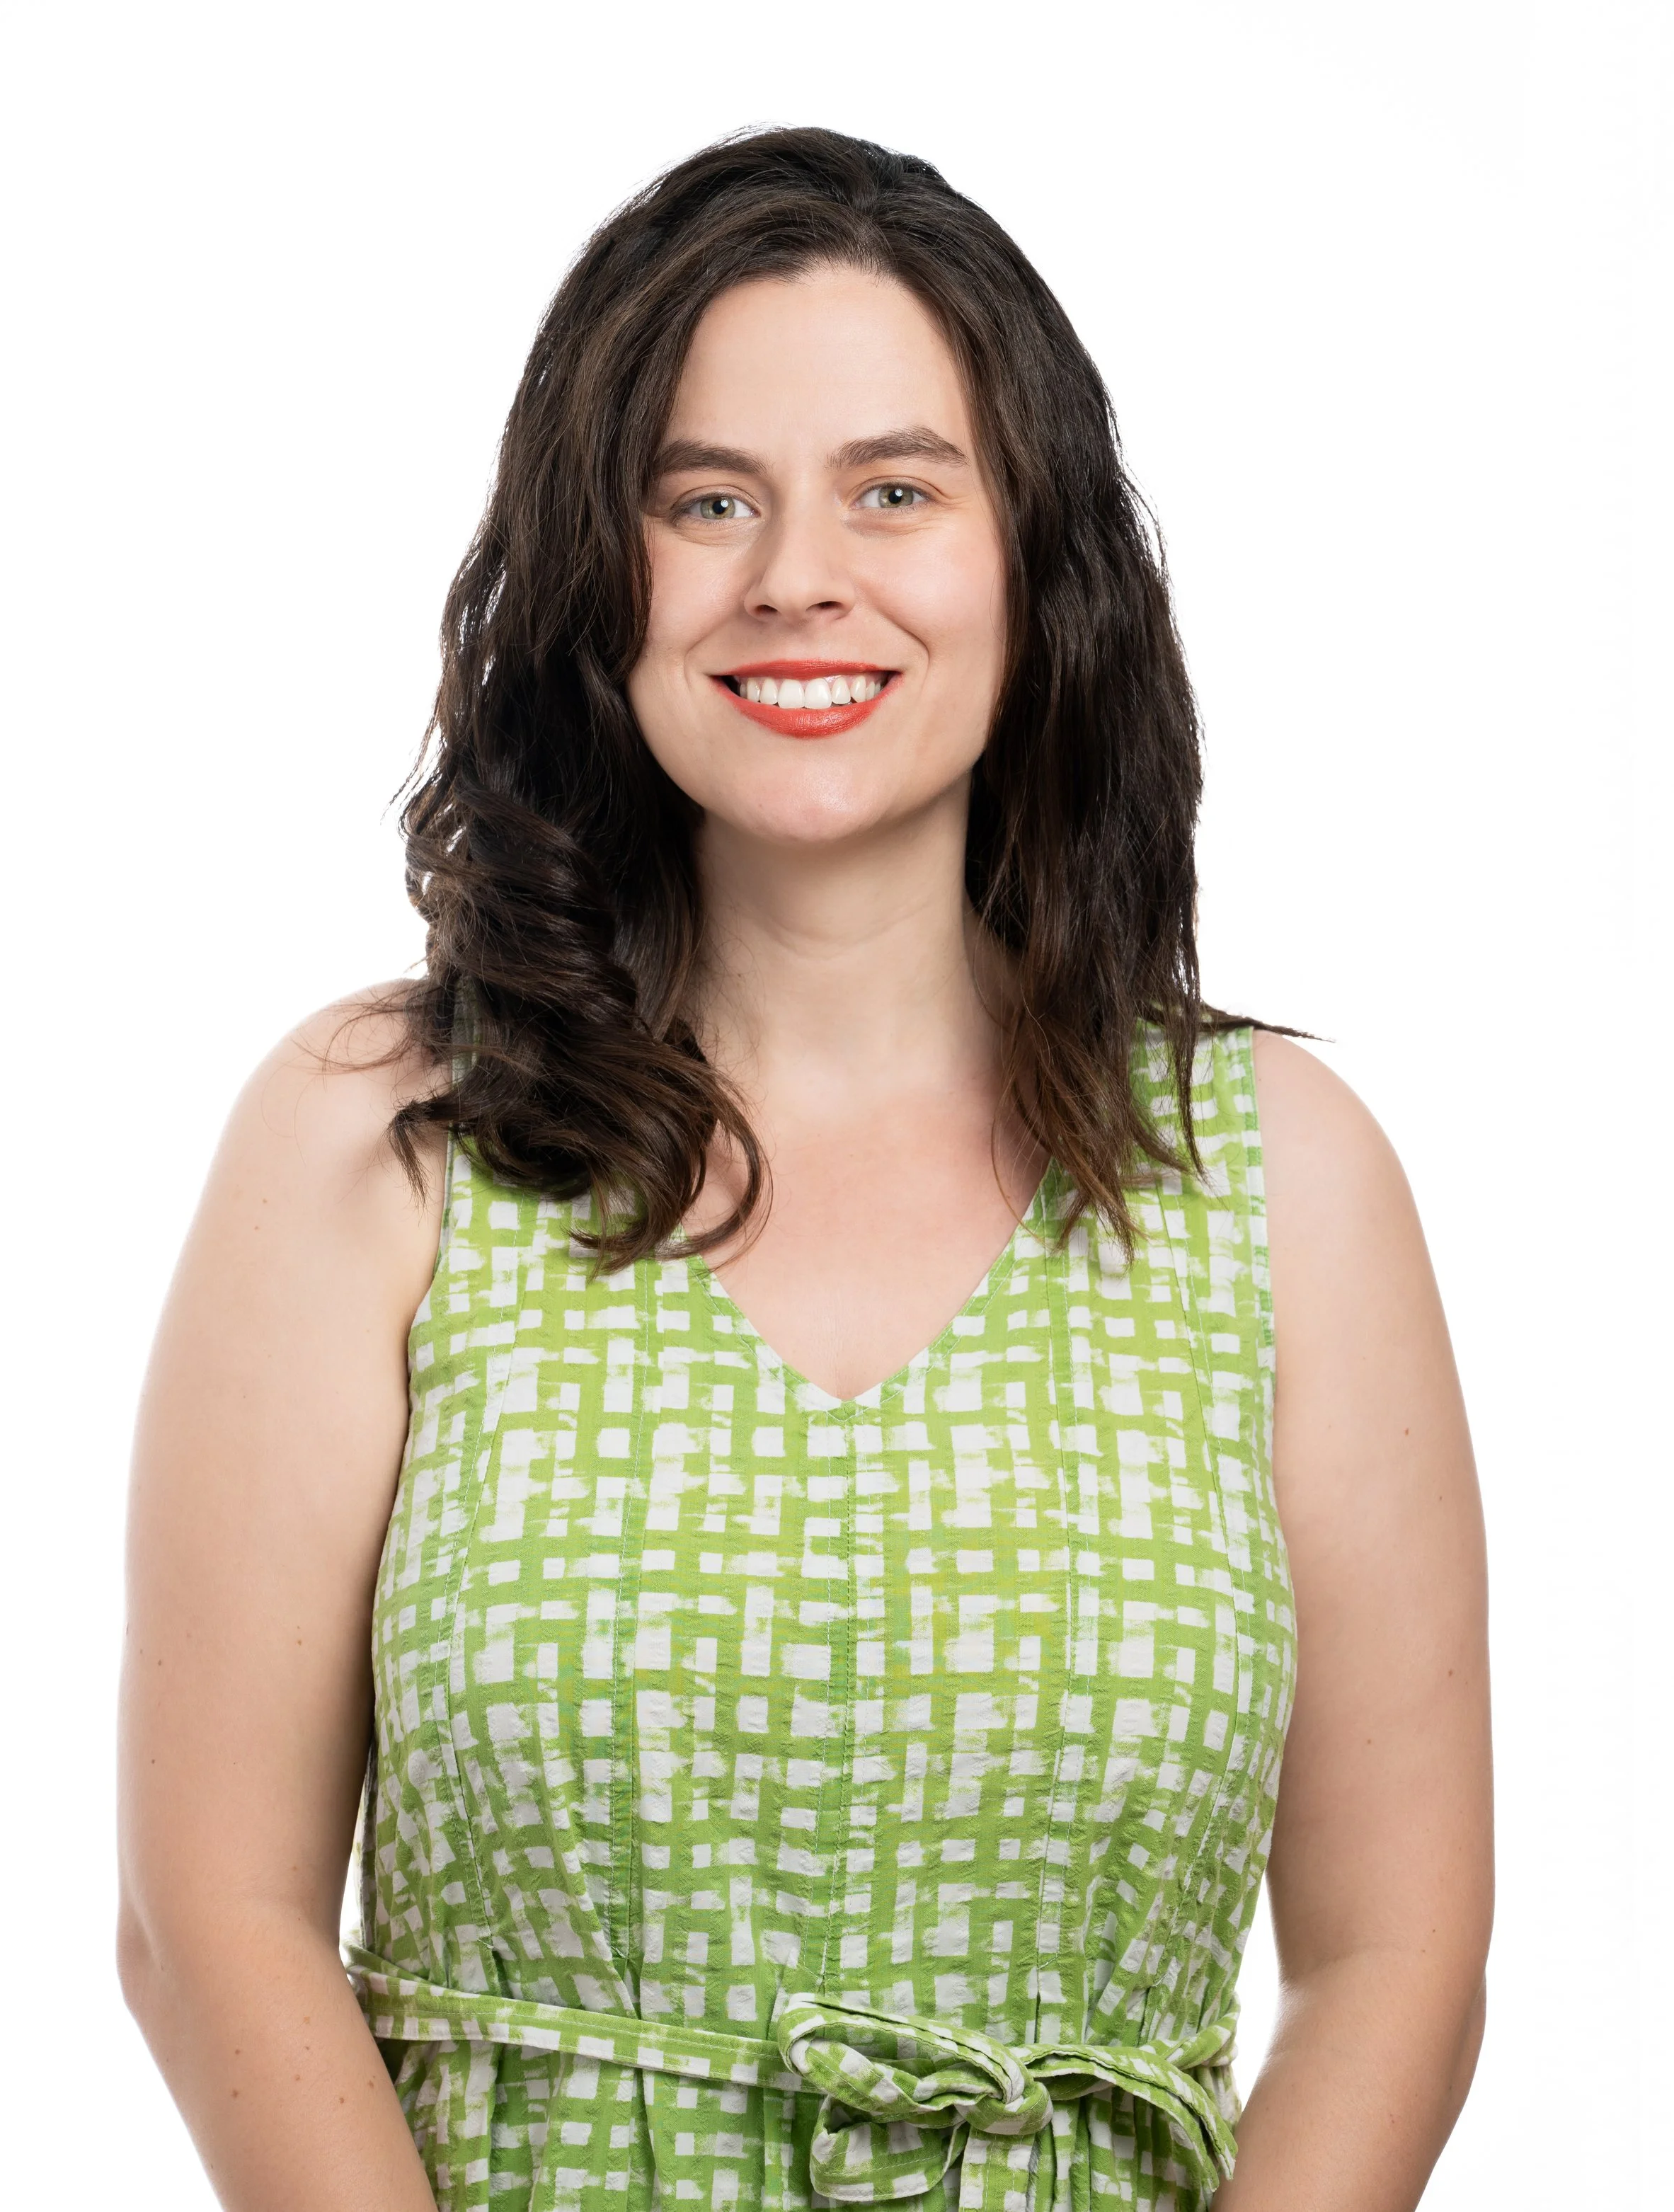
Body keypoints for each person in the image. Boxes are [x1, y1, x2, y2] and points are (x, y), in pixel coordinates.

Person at [117, 127, 1492, 2212]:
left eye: (895, 488)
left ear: (1034, 556)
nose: (795, 578)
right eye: (704, 500)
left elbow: (1400, 1957)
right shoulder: (375, 1138)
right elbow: (209, 1914)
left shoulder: (1284, 1177)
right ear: (600, 571)